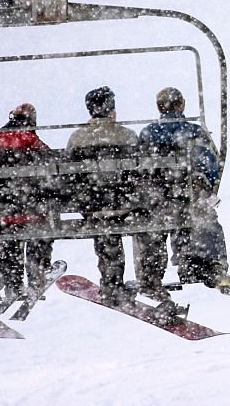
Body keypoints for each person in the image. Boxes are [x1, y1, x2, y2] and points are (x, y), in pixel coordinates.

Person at [66, 86, 174, 312]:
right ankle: (150, 279)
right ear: (111, 109)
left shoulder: (77, 138)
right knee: (149, 228)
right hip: (128, 205)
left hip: (95, 207)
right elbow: (141, 173)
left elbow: (71, 179)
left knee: (106, 233)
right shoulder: (126, 136)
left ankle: (112, 282)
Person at [140, 87, 230, 295]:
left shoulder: (148, 134)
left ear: (159, 107)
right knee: (205, 221)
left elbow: (141, 169)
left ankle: (154, 276)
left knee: (157, 229)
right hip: (190, 196)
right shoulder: (194, 132)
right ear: (182, 104)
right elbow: (210, 166)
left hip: (159, 200)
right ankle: (213, 266)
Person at [0, 103, 53, 300]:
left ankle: (12, 284)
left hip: (3, 211)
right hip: (31, 209)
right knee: (39, 237)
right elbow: (51, 166)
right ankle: (36, 277)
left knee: (9, 244)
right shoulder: (32, 141)